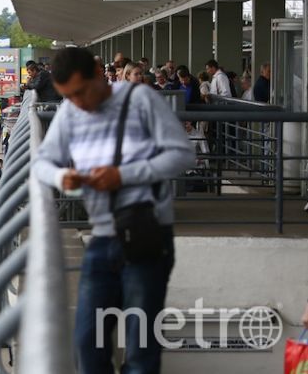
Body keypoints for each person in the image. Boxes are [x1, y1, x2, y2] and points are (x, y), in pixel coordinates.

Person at [33, 47, 194, 374]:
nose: (78, 102)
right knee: (86, 343)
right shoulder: (69, 112)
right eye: (69, 96)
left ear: (97, 72)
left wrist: (123, 175)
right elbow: (41, 163)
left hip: (147, 236)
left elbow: (182, 155)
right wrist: (64, 177)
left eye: (81, 92)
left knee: (141, 350)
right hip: (102, 237)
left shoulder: (141, 100)